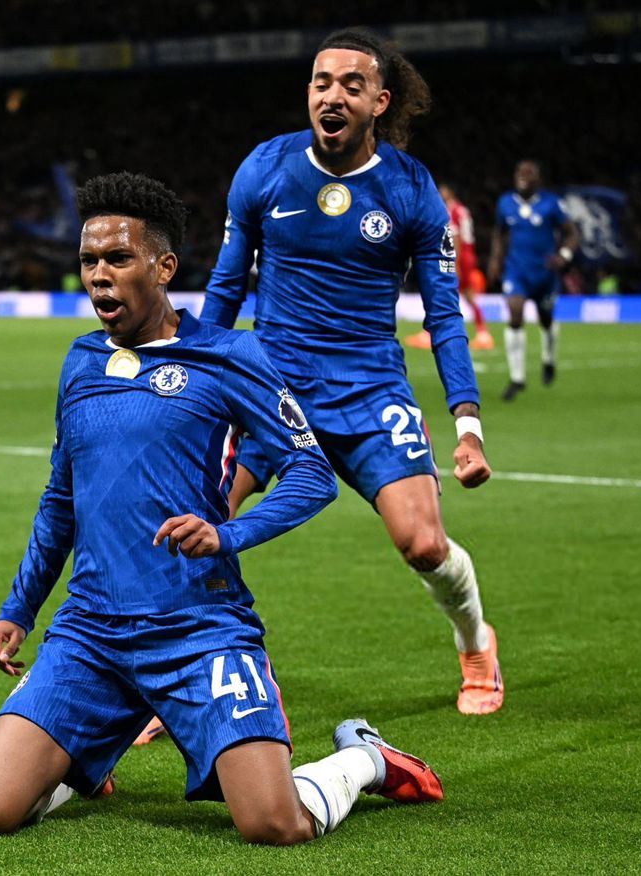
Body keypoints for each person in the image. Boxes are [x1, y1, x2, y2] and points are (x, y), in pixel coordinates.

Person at [0, 172, 444, 844]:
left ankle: (365, 758)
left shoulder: (229, 356)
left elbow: (311, 473)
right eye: (89, 261)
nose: (99, 276)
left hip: (198, 628)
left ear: (163, 267)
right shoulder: (81, 362)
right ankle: (92, 744)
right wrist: (18, 609)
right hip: (92, 631)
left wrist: (226, 534)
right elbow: (60, 499)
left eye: (118, 259)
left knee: (274, 824)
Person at [201, 28, 501, 719]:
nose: (332, 96)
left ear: (379, 102)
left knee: (424, 545)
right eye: (321, 82)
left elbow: (444, 316)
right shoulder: (265, 168)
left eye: (351, 85)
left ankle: (476, 641)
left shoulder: (410, 188)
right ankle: (190, 672)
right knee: (200, 523)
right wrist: (200, 386)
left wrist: (468, 426)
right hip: (271, 389)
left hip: (369, 389)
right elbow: (225, 290)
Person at [487, 160, 579, 401]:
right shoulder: (505, 203)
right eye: (520, 172)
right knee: (515, 313)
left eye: (529, 174)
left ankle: (549, 358)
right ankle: (517, 378)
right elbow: (499, 233)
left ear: (538, 179)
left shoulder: (551, 203)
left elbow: (571, 233)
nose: (523, 177)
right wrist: (495, 260)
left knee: (546, 319)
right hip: (516, 271)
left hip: (544, 272)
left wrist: (564, 255)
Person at [406, 183, 493, 351]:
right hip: (468, 254)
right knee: (467, 294)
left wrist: (454, 262)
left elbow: (454, 237)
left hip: (459, 255)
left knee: (441, 291)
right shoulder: (462, 209)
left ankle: (431, 333)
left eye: (443, 191)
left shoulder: (451, 210)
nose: (440, 194)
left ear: (450, 192)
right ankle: (483, 332)